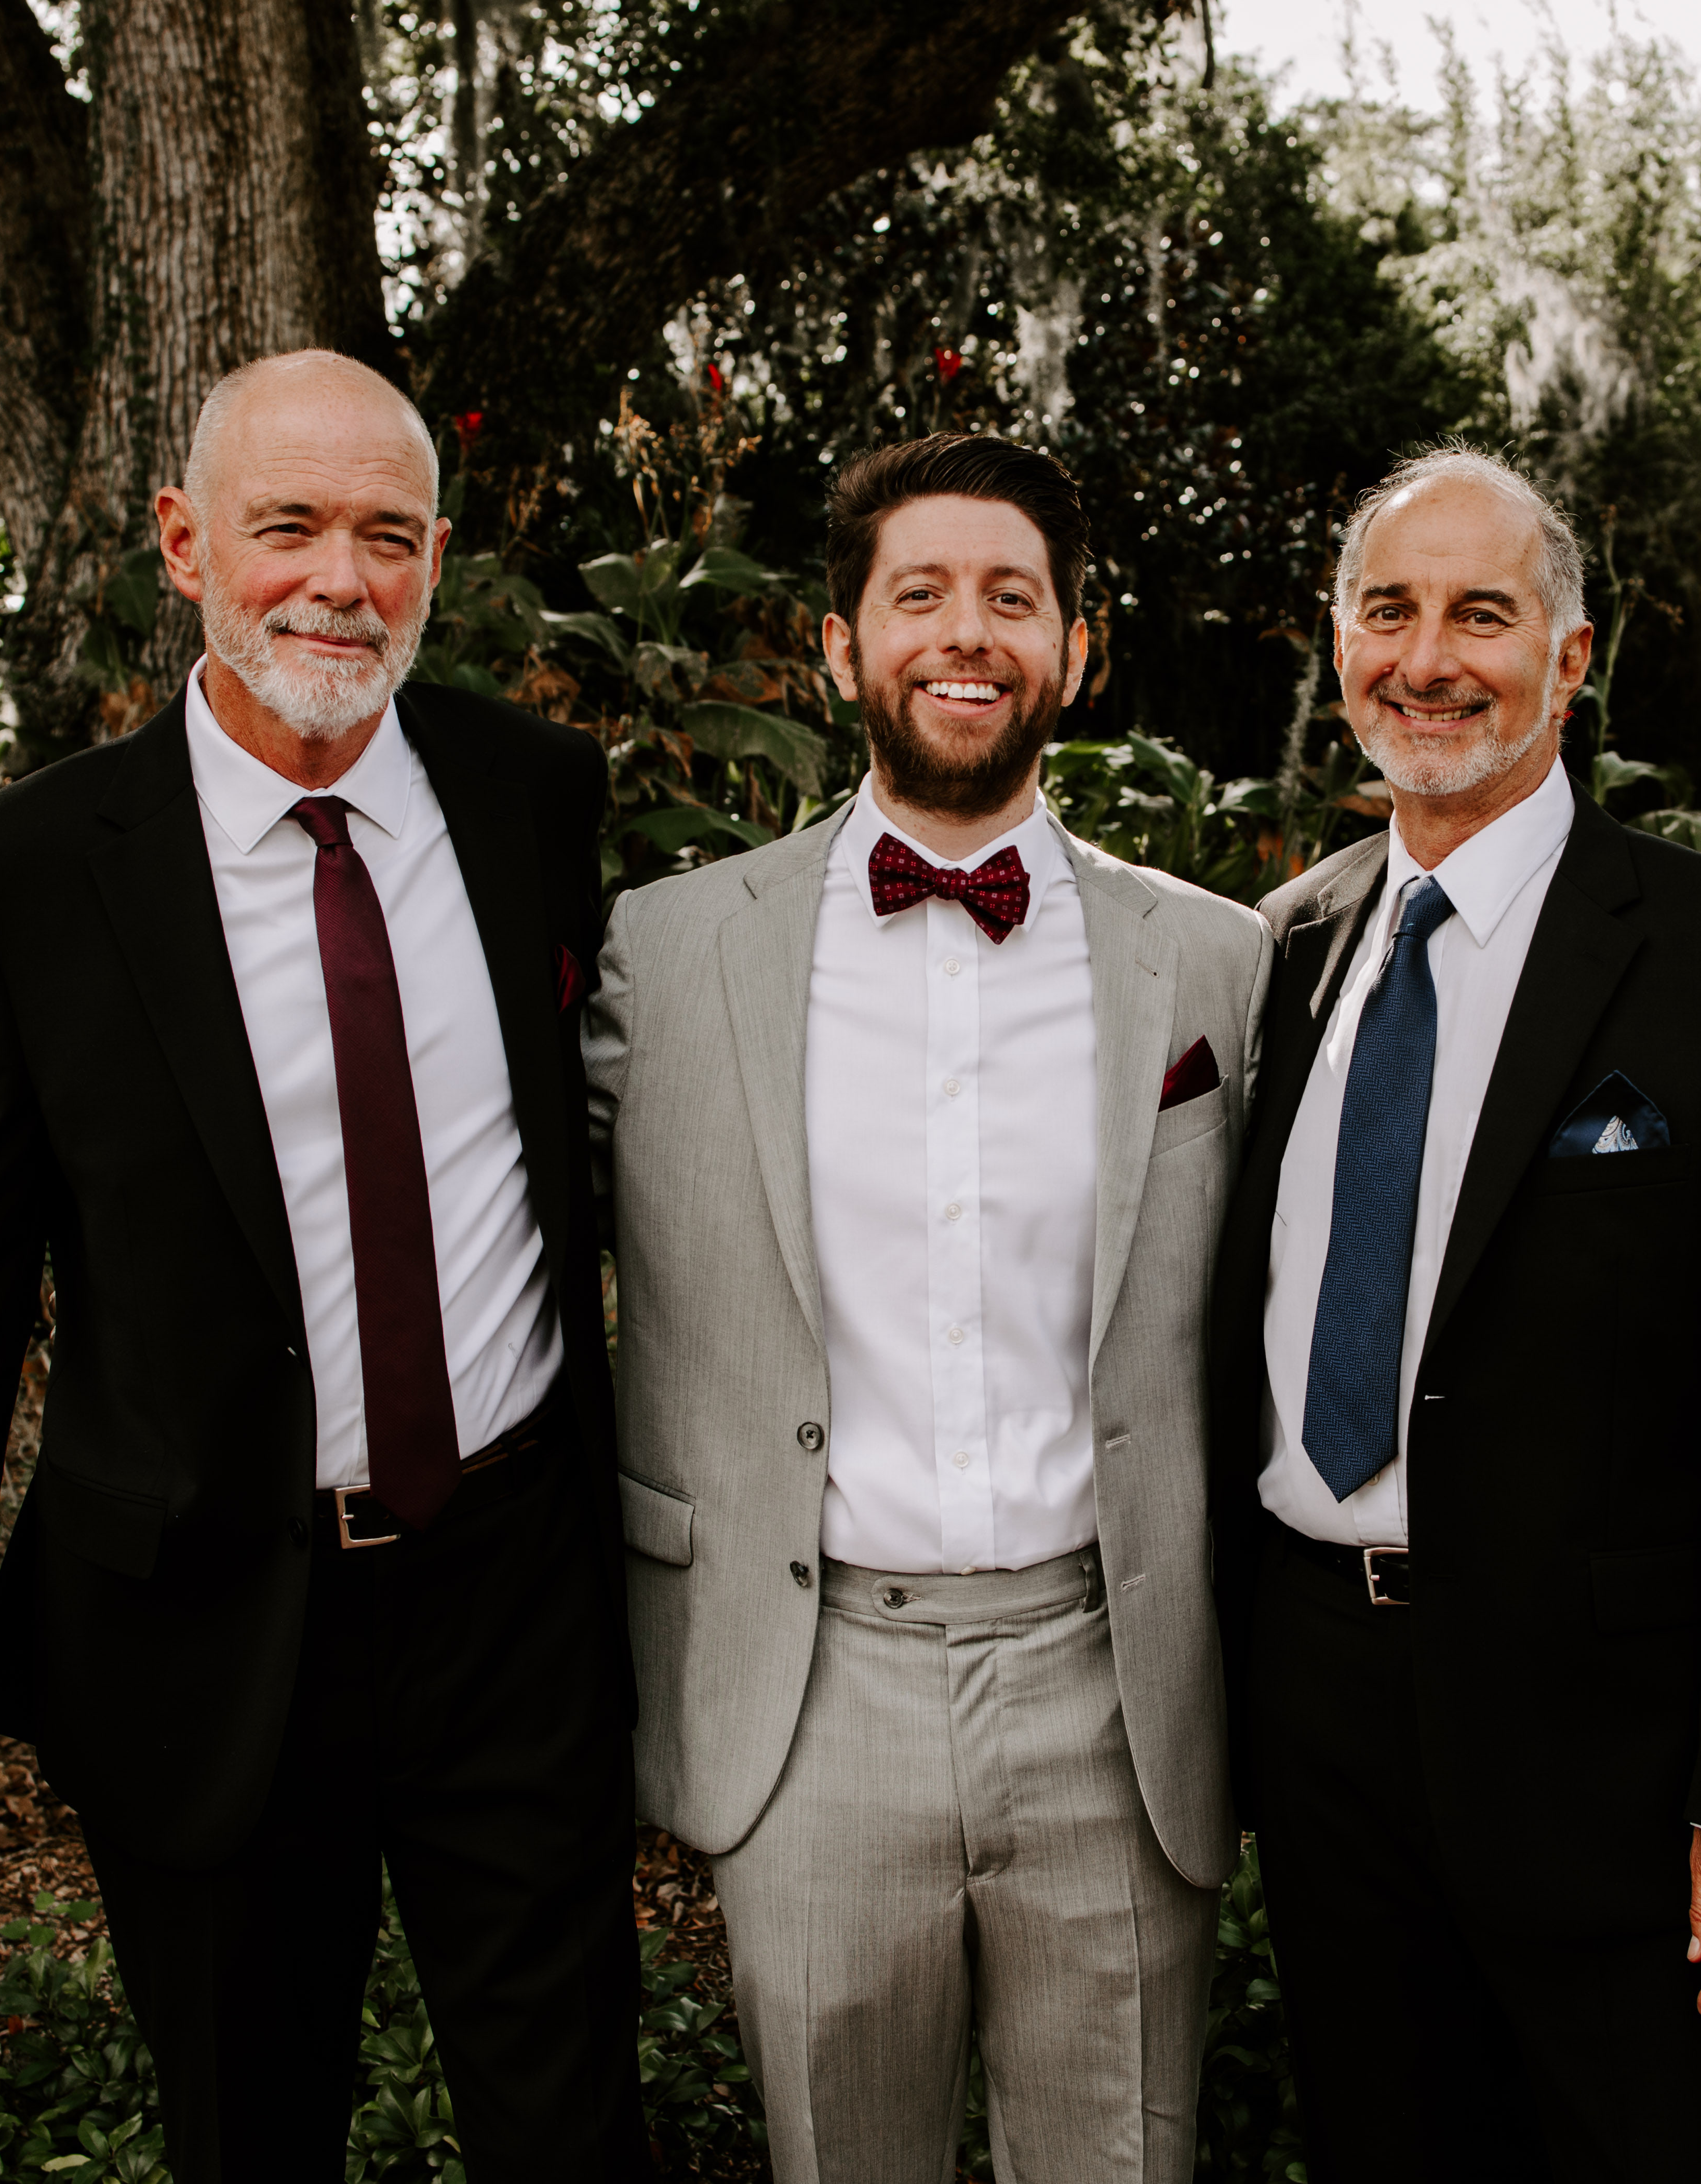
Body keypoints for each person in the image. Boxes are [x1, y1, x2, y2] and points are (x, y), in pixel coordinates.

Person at [0, 349, 646, 2182]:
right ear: (186, 544)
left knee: (575, 2132)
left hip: (514, 1601)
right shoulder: (30, 879)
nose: (340, 581)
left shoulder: (532, 798)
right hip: (198, 1632)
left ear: (437, 561)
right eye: (289, 528)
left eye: (387, 536)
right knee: (250, 2142)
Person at [585, 433, 1268, 2184]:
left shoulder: (1215, 960)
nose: (966, 634)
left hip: (1114, 1688)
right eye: (920, 595)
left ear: (1074, 650)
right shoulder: (668, 954)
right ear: (840, 646)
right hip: (808, 1690)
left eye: (1010, 598)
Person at [1208, 445, 1701, 2180]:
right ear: (1340, 645)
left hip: (1610, 1750)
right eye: (1388, 612)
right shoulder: (1279, 948)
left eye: (1480, 616)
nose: (1426, 659)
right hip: (1321, 1710)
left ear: (1568, 660)